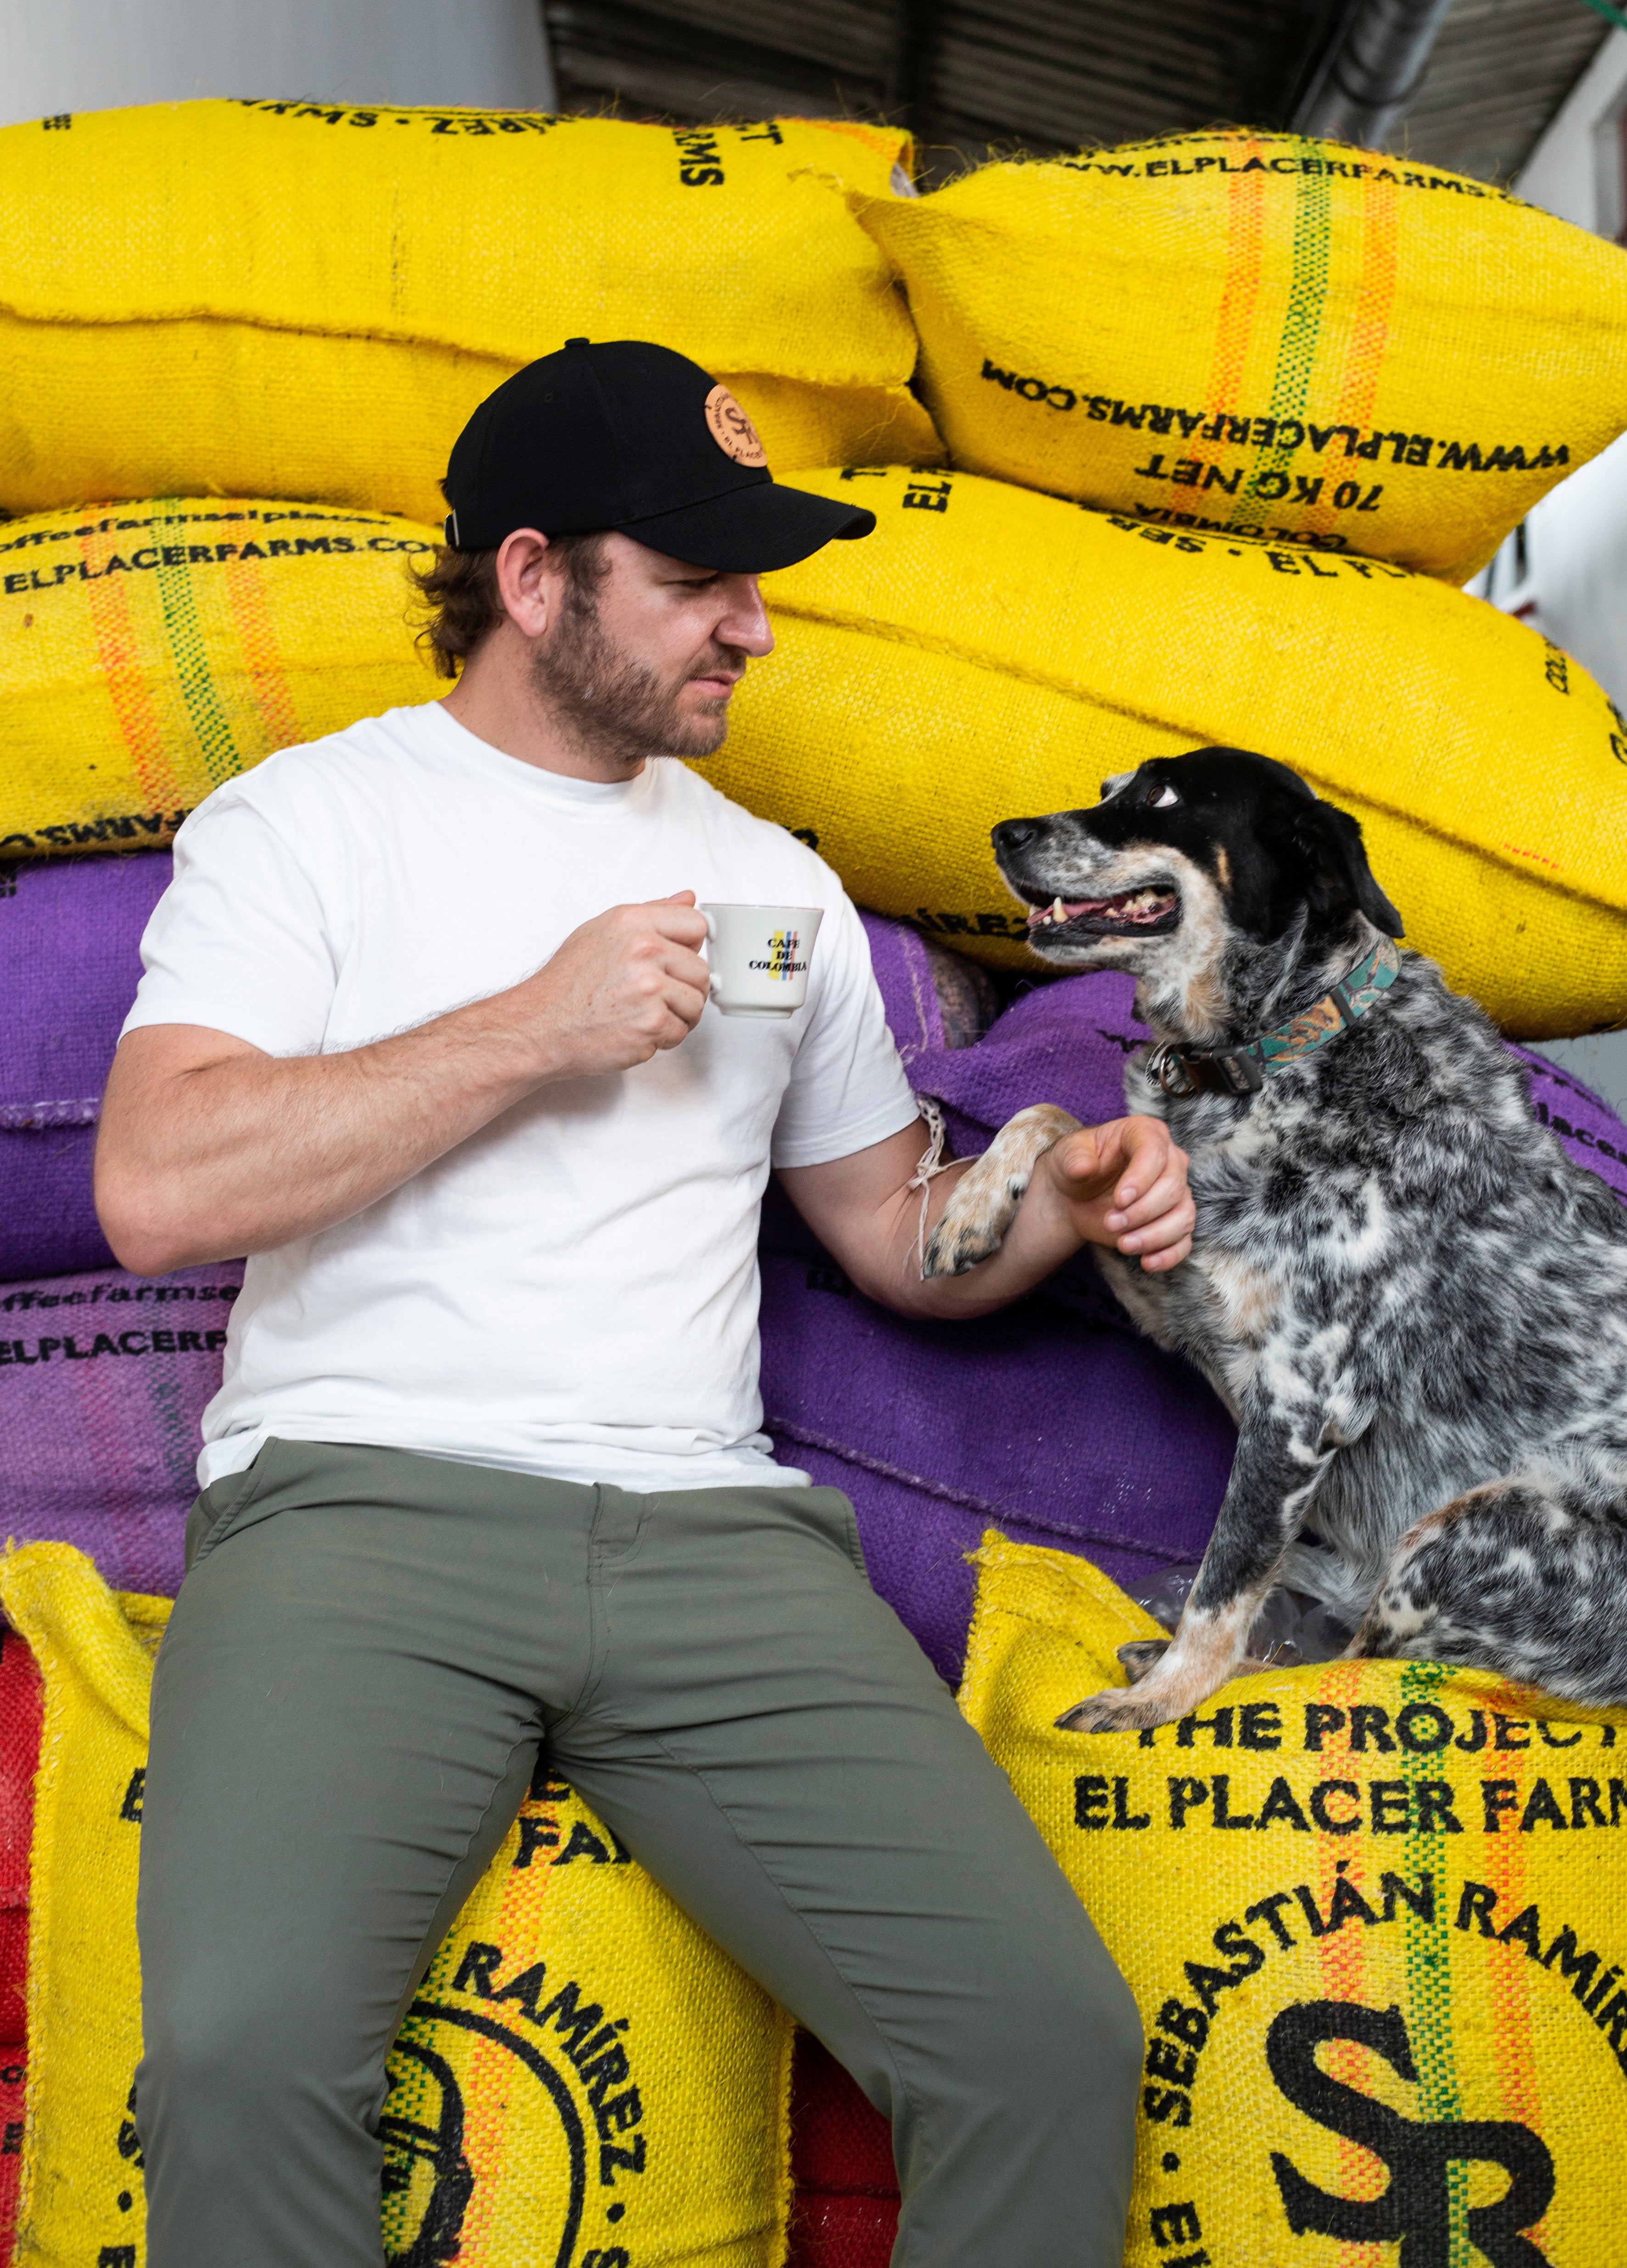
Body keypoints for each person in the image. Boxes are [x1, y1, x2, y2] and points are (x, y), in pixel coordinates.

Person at [95, 339, 1196, 2268]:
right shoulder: (309, 828)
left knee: (1046, 2045)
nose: (750, 632)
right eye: (697, 584)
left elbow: (888, 1230)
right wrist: (537, 1025)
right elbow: (158, 1184)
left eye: (753, 584)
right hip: (362, 1513)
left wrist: (1059, 1196)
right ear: (534, 581)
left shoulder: (779, 889)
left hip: (714, 1546)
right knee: (243, 2055)